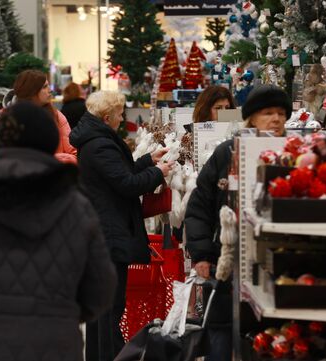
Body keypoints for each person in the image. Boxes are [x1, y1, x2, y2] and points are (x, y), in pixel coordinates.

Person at [0, 101, 117, 361]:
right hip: (54, 345)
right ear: (51, 143)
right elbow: (100, 289)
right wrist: (60, 314)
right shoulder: (75, 204)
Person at [185, 85, 292, 361]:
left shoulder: (295, 154)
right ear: (251, 119)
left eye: (281, 113)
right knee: (221, 329)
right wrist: (201, 255)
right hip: (228, 261)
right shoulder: (227, 153)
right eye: (268, 113)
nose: (277, 119)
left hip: (276, 265)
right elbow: (199, 207)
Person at [69, 91, 174, 361]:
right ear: (107, 117)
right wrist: (158, 172)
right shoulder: (100, 145)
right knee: (109, 311)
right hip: (108, 234)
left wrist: (148, 161)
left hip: (103, 230)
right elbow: (126, 185)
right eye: (119, 114)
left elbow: (119, 173)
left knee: (103, 312)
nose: (122, 118)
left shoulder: (96, 140)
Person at [0, 69, 78, 164]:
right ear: (31, 91)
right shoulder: (7, 119)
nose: (50, 90)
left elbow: (73, 154)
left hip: (52, 175)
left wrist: (51, 160)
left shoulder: (57, 116)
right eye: (44, 87)